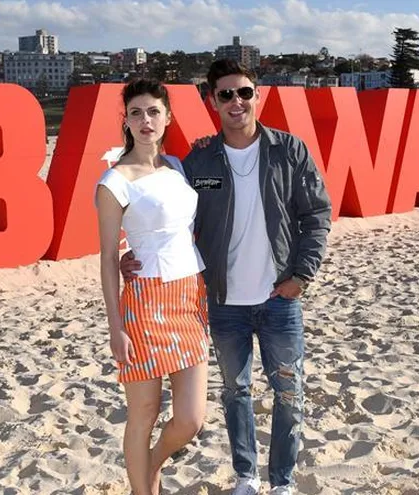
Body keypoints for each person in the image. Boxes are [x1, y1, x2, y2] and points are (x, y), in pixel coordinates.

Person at [122, 60, 332, 494]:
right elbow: (168, 217)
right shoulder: (199, 160)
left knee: (289, 393)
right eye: (226, 95)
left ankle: (282, 481)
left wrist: (302, 276)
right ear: (211, 101)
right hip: (222, 300)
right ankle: (246, 477)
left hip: (280, 297)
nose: (237, 102)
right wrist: (132, 255)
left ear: (258, 96)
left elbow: (316, 215)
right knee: (236, 393)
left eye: (245, 92)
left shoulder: (288, 150)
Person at [95, 78, 209, 495]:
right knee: (143, 412)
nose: (146, 120)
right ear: (125, 119)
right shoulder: (114, 181)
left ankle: (151, 464)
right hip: (144, 301)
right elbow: (109, 257)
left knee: (191, 419)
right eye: (137, 112)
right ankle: (143, 490)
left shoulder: (177, 166)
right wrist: (115, 326)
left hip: (189, 296)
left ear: (168, 117)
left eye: (154, 112)